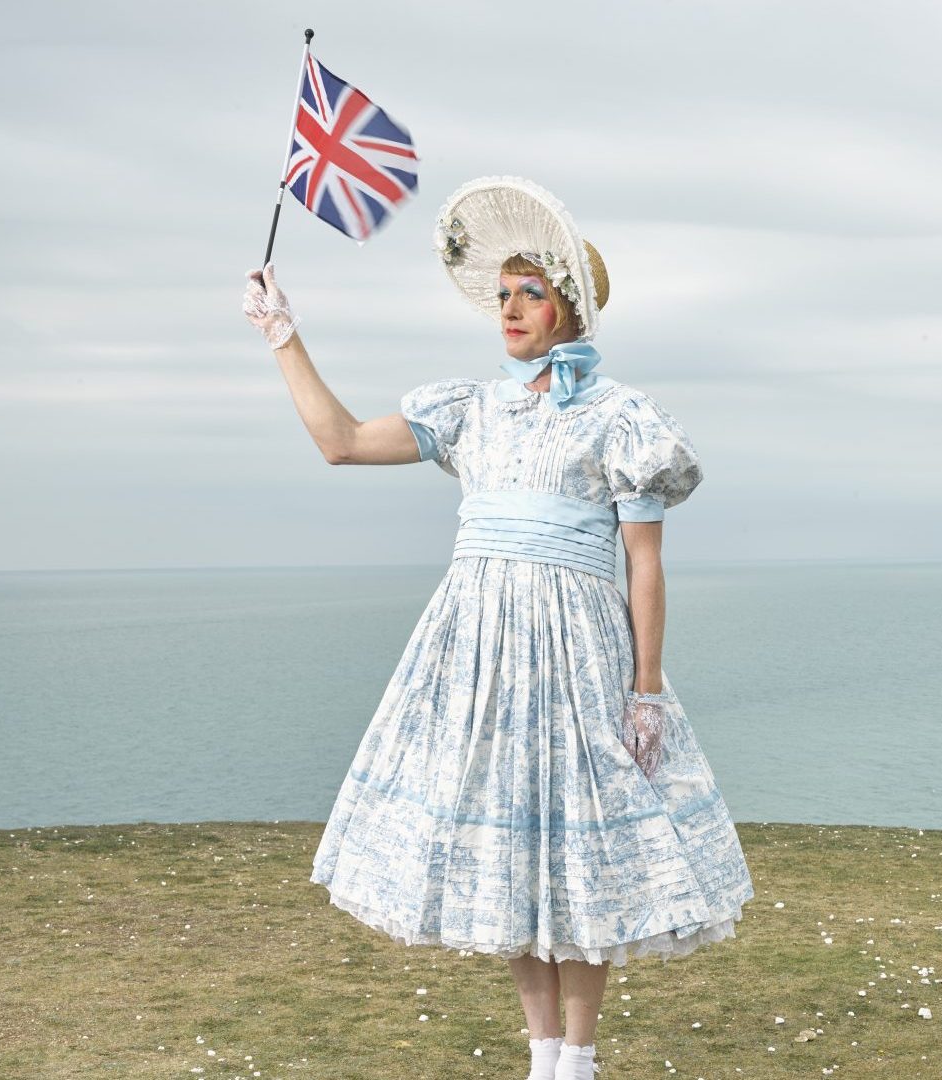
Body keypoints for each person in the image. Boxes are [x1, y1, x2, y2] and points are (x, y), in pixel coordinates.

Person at [242, 176, 755, 1080]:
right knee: (512, 850)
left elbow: (644, 562)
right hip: (480, 654)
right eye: (505, 293)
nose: (511, 308)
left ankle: (581, 1062)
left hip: (580, 653)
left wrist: (645, 688)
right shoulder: (469, 409)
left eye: (532, 292)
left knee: (584, 856)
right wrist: (284, 336)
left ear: (568, 310)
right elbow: (343, 442)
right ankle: (541, 1057)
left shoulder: (620, 418)